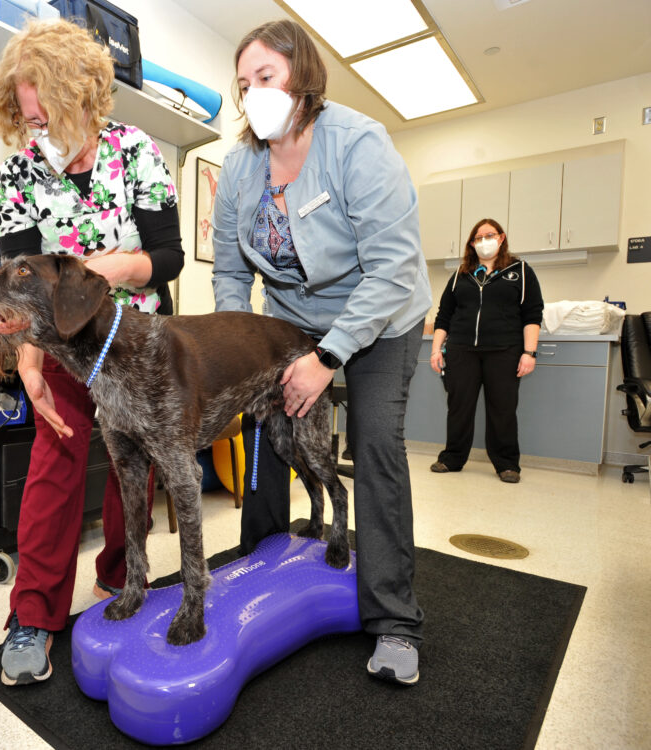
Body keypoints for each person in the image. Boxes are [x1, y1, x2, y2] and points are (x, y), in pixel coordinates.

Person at [212, 19, 431, 686]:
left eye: (266, 79)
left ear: (302, 79)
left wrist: (328, 357)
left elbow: (391, 269)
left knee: (374, 445)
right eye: (244, 84)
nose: (253, 95)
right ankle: (254, 565)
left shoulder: (359, 145)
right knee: (270, 431)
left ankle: (395, 621)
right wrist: (243, 349)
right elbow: (228, 271)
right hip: (290, 321)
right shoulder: (240, 168)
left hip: (382, 316)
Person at [0, 19, 183, 685]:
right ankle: (35, 614)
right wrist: (31, 358)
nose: (36, 126)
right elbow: (19, 288)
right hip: (63, 347)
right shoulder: (17, 174)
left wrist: (119, 269)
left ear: (78, 94)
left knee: (136, 464)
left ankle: (121, 578)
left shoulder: (136, 152)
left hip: (134, 341)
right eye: (27, 114)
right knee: (54, 461)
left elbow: (168, 256)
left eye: (45, 110)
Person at [429, 218, 544, 482]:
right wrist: (436, 350)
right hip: (461, 350)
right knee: (459, 407)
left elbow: (532, 315)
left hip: (504, 350)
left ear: (501, 238)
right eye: (477, 238)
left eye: (489, 235)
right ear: (471, 243)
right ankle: (452, 458)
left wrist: (529, 353)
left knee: (502, 408)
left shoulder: (521, 271)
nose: (483, 241)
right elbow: (444, 315)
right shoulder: (461, 275)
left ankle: (507, 464)